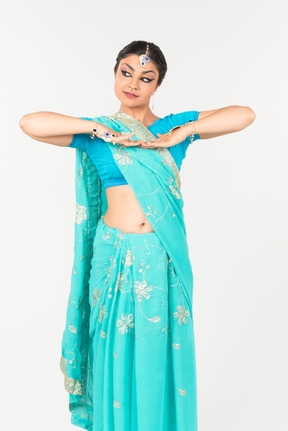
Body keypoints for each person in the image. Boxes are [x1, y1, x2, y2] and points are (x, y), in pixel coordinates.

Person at [19, 40, 256, 431]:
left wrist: (188, 131)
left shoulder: (172, 129)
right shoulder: (98, 134)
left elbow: (245, 114)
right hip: (113, 257)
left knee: (156, 353)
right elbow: (29, 123)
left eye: (146, 77)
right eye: (126, 72)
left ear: (157, 85)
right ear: (114, 73)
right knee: (111, 349)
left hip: (161, 259)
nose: (133, 83)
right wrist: (93, 127)